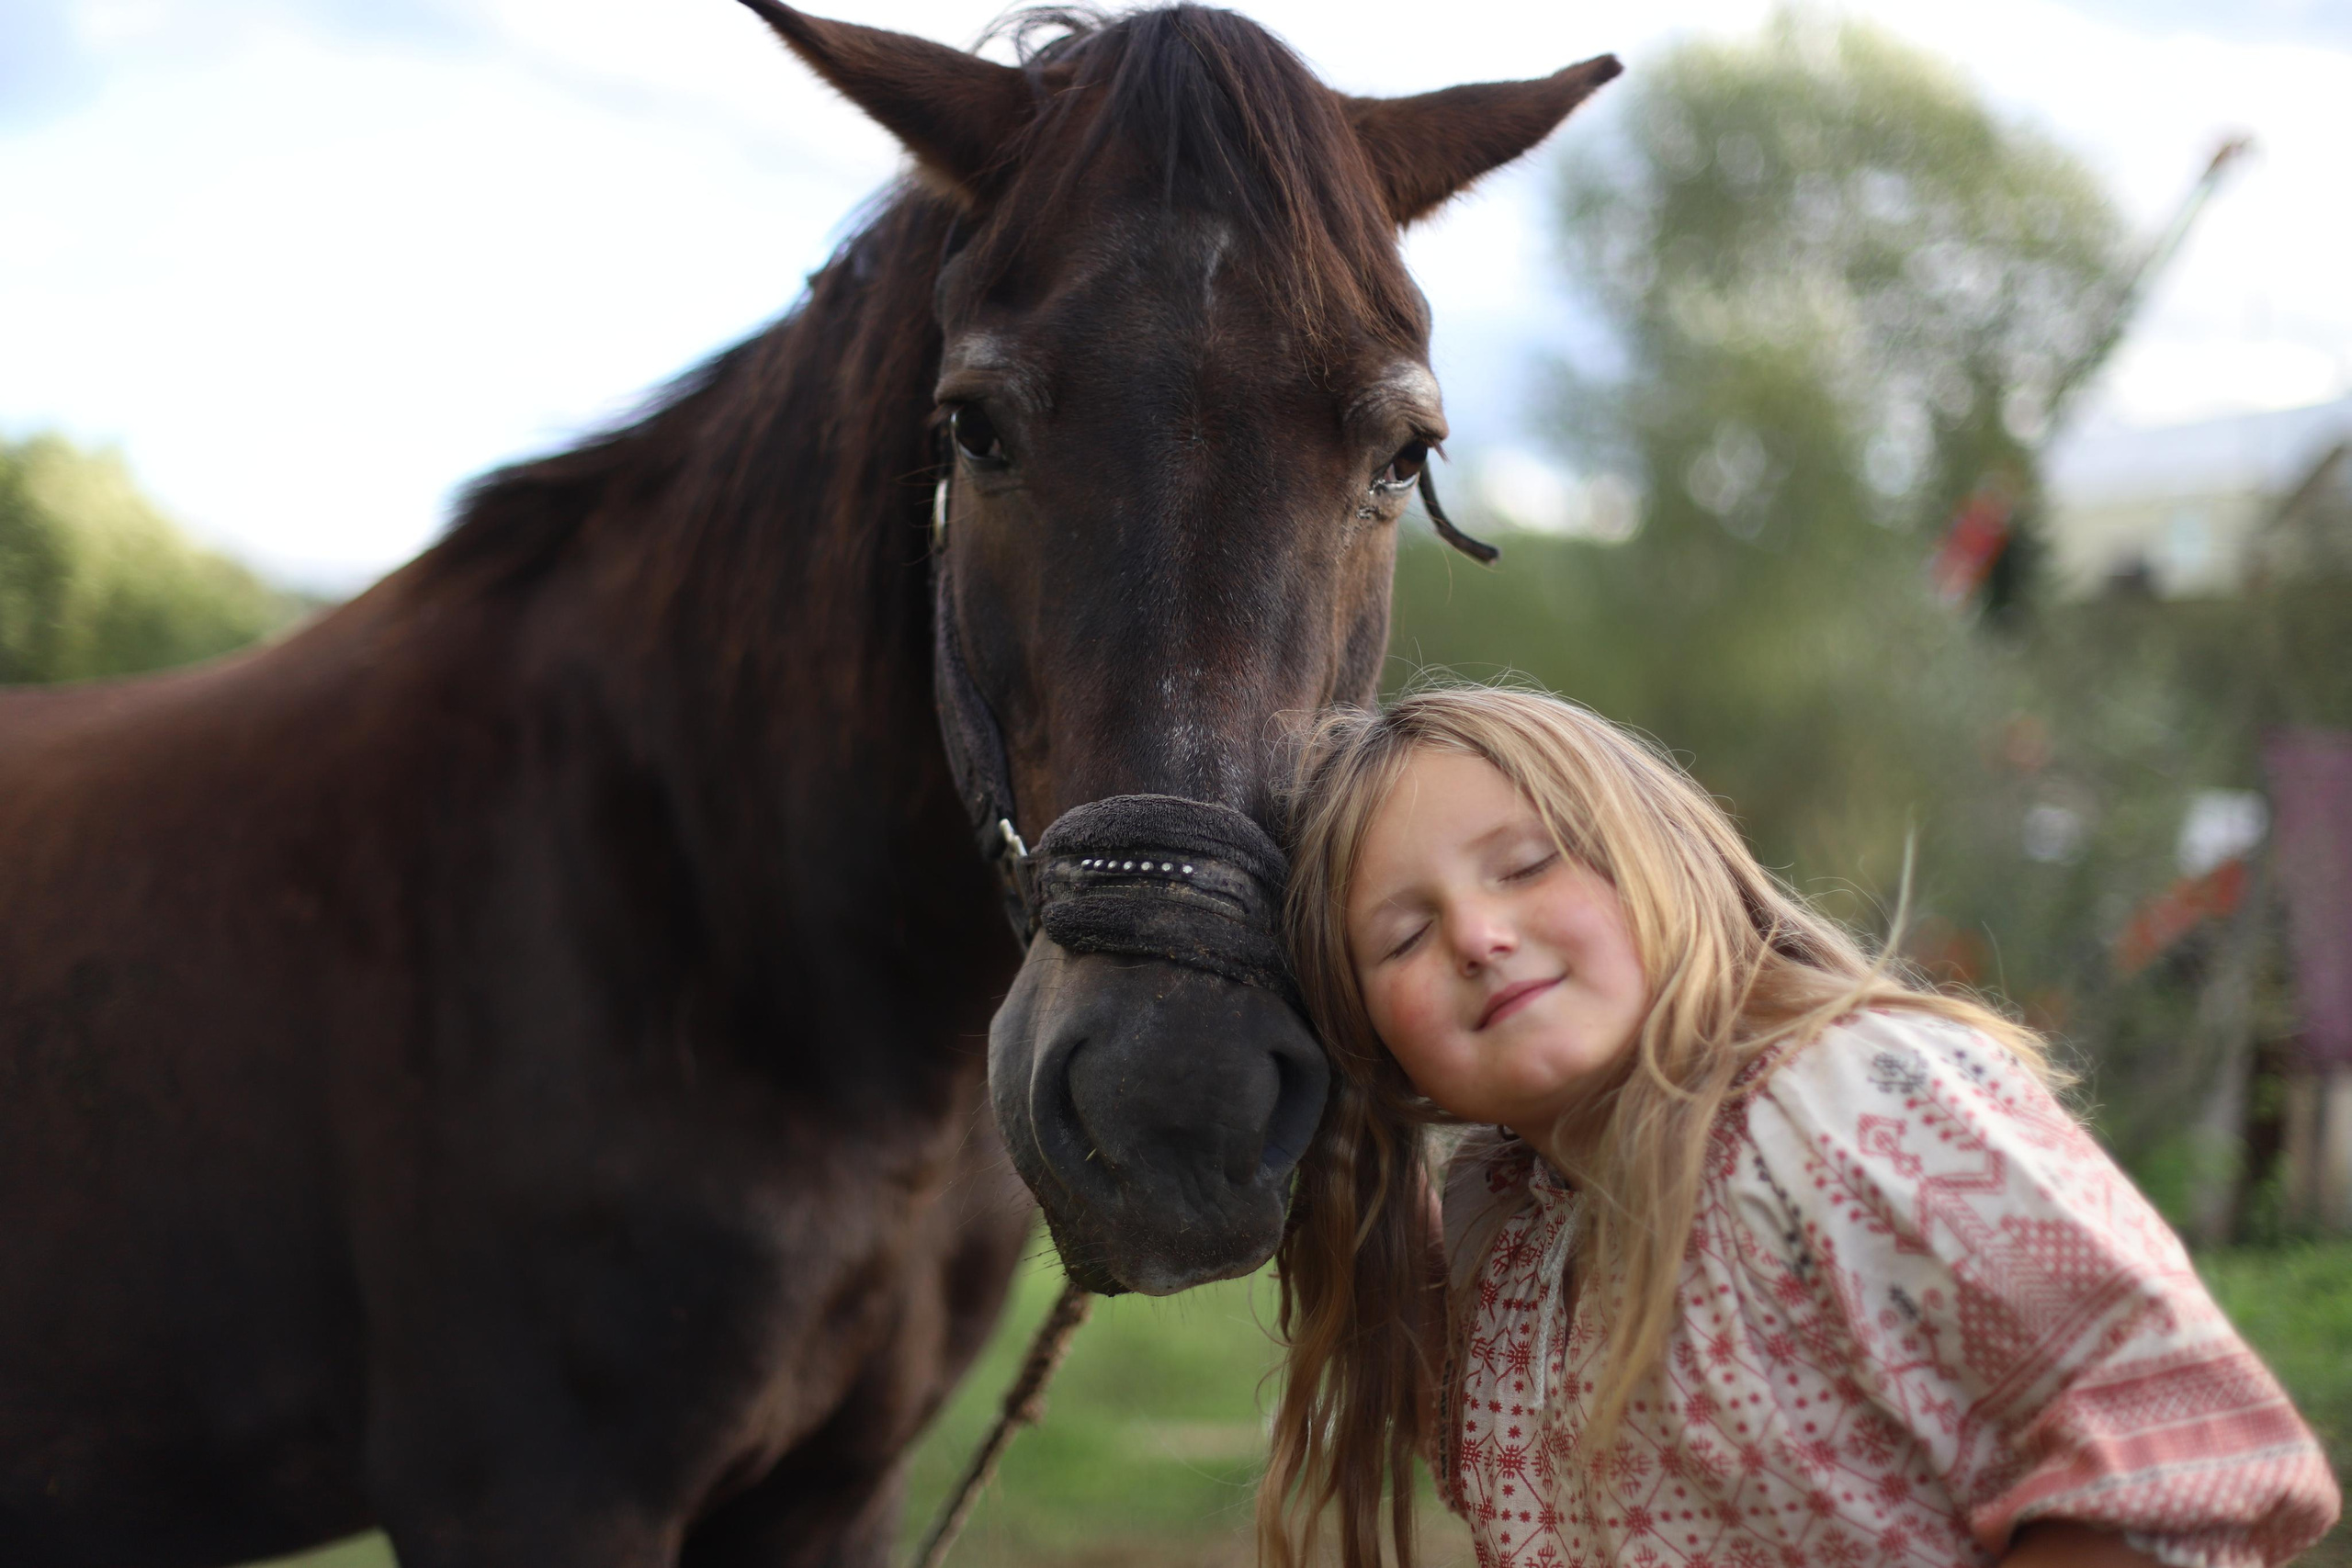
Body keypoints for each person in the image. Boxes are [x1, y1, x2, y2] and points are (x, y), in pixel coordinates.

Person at [1259, 686, 2339, 1568]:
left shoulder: (1849, 1101)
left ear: (1661, 852)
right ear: (1363, 1032)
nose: (1480, 936)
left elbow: (2175, 1464)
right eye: (1401, 937)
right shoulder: (1504, 1218)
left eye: (1529, 864)